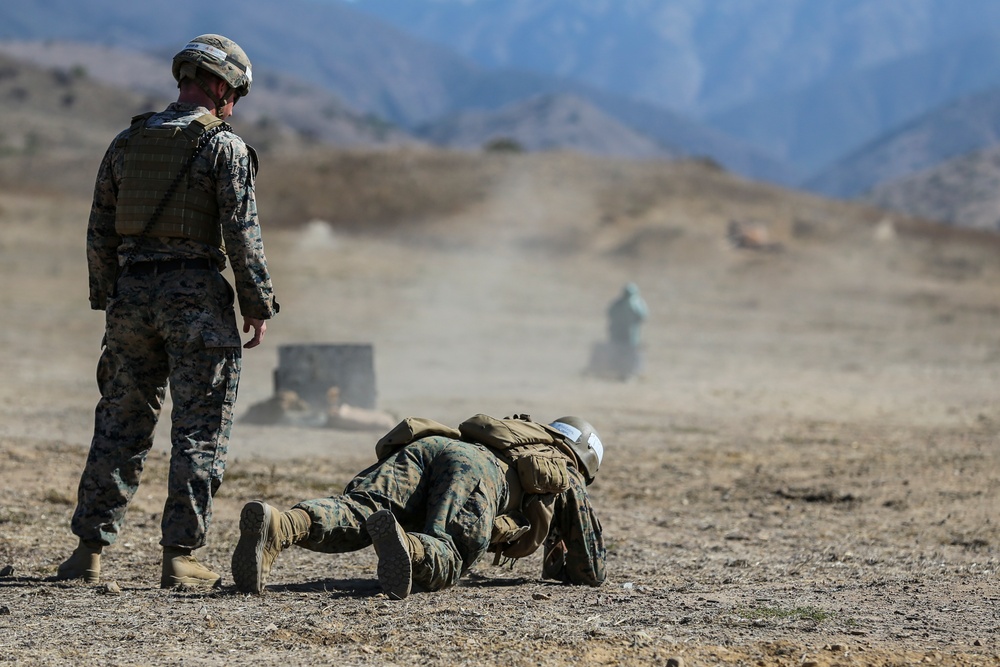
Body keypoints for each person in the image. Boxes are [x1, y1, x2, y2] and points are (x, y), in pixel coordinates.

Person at [56, 34, 279, 589]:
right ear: (223, 87)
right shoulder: (223, 147)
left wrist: (110, 296)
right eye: (237, 95)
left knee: (119, 422)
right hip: (195, 300)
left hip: (131, 299)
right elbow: (242, 236)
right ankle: (179, 558)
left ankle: (87, 553)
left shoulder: (126, 142)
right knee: (199, 429)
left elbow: (99, 229)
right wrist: (256, 303)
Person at [231, 413, 606, 598]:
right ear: (586, 459)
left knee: (359, 506)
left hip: (430, 447)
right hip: (475, 471)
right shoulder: (564, 467)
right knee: (449, 548)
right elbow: (589, 566)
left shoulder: (519, 431)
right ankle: (409, 549)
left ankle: (281, 524)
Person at [606, 282, 648, 380]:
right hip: (618, 332)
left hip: (631, 333)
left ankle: (630, 372)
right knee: (618, 350)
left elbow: (643, 315)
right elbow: (611, 313)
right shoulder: (618, 303)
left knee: (631, 351)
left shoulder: (637, 303)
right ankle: (618, 369)